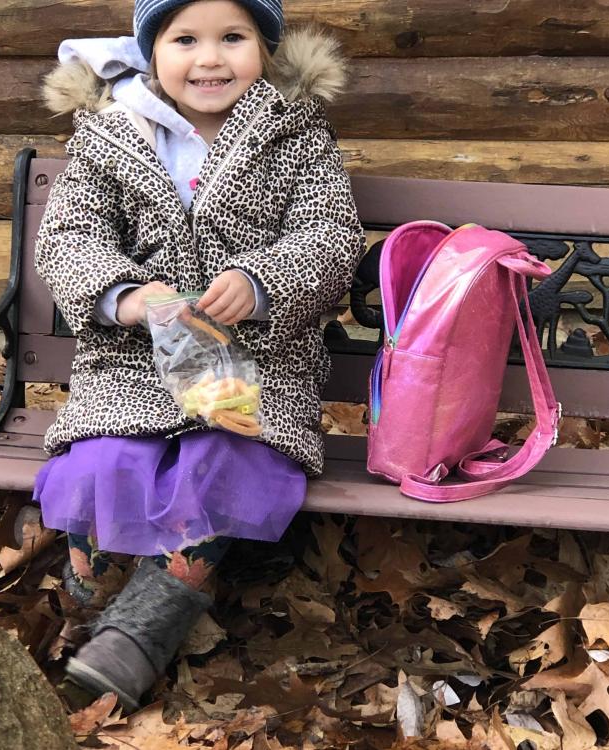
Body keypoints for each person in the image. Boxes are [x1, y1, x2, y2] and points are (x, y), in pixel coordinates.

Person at [34, 0, 365, 712]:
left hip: (254, 362)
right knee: (105, 460)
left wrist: (260, 281)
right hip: (132, 359)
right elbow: (68, 237)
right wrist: (121, 294)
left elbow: (332, 236)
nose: (209, 59)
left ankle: (142, 631)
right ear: (151, 50)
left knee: (227, 457)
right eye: (185, 39)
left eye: (233, 38)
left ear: (266, 49)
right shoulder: (111, 134)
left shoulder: (296, 134)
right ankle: (87, 612)